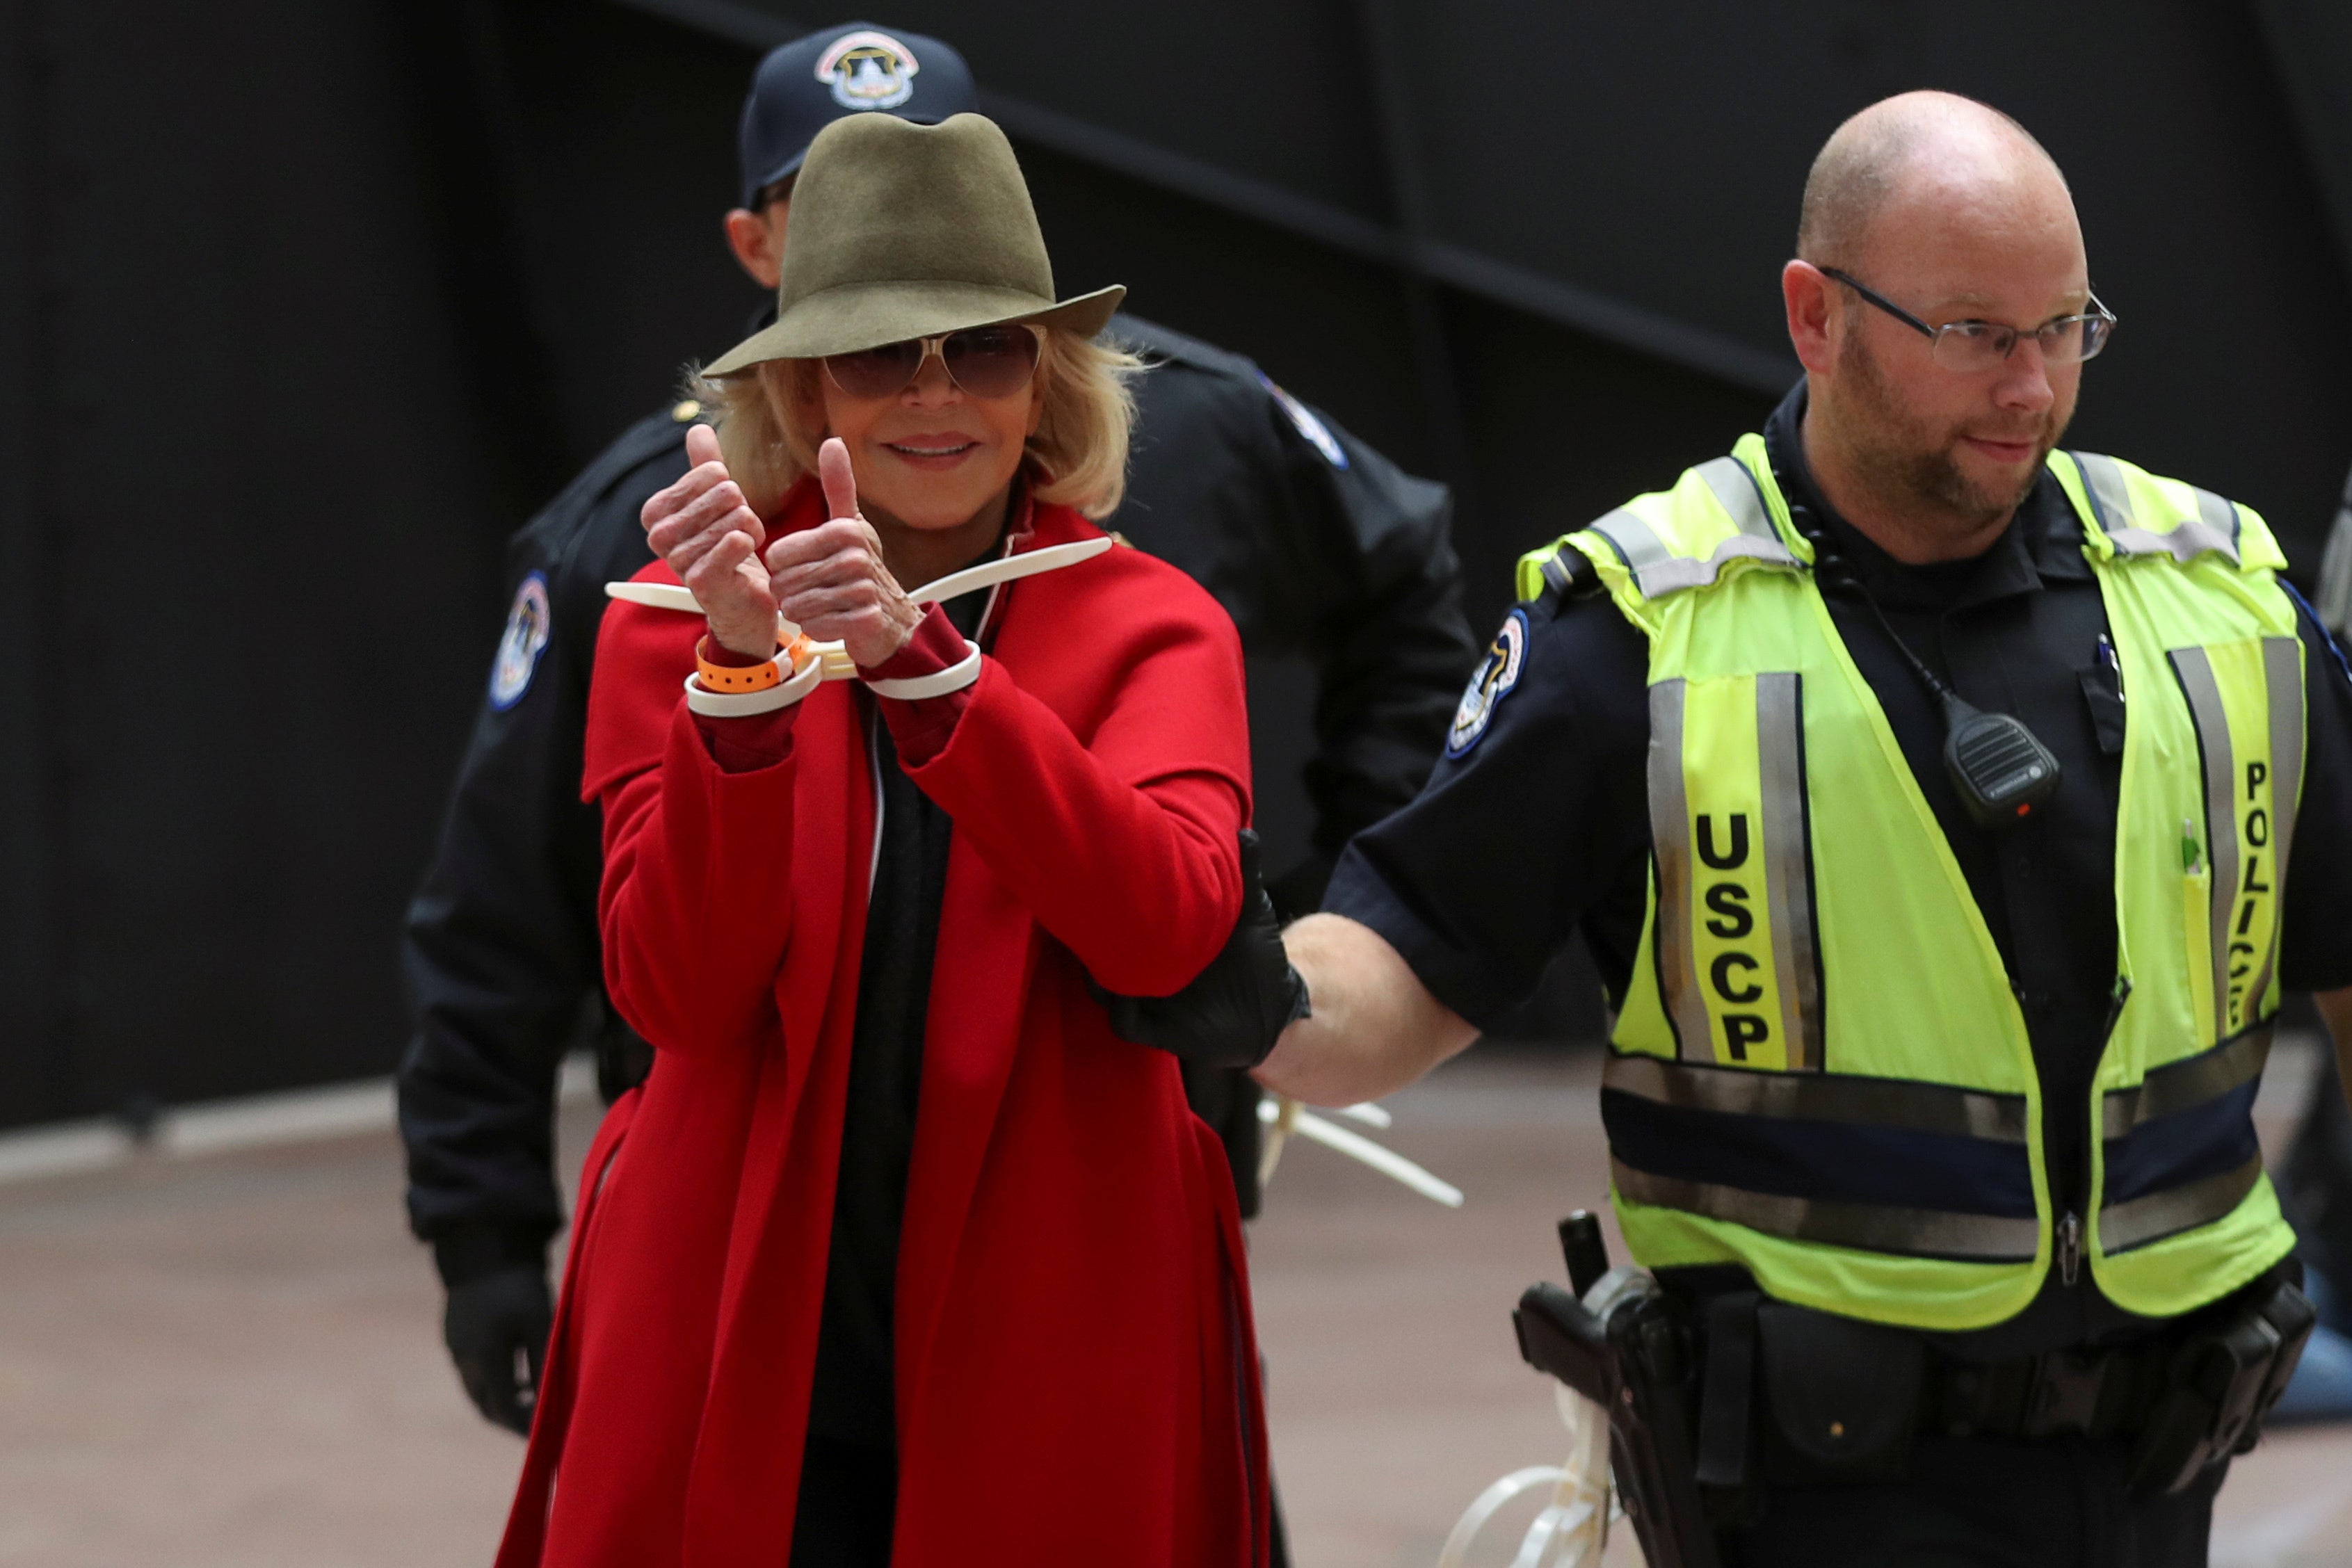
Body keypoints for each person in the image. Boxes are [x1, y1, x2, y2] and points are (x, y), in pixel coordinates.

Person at [1217, 92, 2352, 1564]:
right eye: (1969, 335)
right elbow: (1402, 968)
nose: (2028, 387)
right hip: (1819, 1490)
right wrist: (1213, 965)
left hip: (2159, 1465)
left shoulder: (2220, 600)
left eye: (2063, 327)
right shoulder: (1635, 627)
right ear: (1813, 318)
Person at [395, 19, 1472, 1441]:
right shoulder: (653, 544)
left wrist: (1327, 929)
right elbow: (516, 901)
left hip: (1091, 1225)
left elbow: (1396, 599)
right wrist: (482, 1228)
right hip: (749, 1231)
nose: (932, 387)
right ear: (761, 258)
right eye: (829, 205)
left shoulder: (1198, 439)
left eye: (979, 342)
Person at [494, 111, 1268, 1567]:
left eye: (981, 348)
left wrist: (936, 673)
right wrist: (740, 682)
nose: (936, 398)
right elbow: (677, 995)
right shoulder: (672, 623)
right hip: (727, 1306)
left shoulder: (1155, 621)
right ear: (797, 392)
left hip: (1056, 1312)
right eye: (875, 355)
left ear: (1042, 378)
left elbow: (1168, 923)